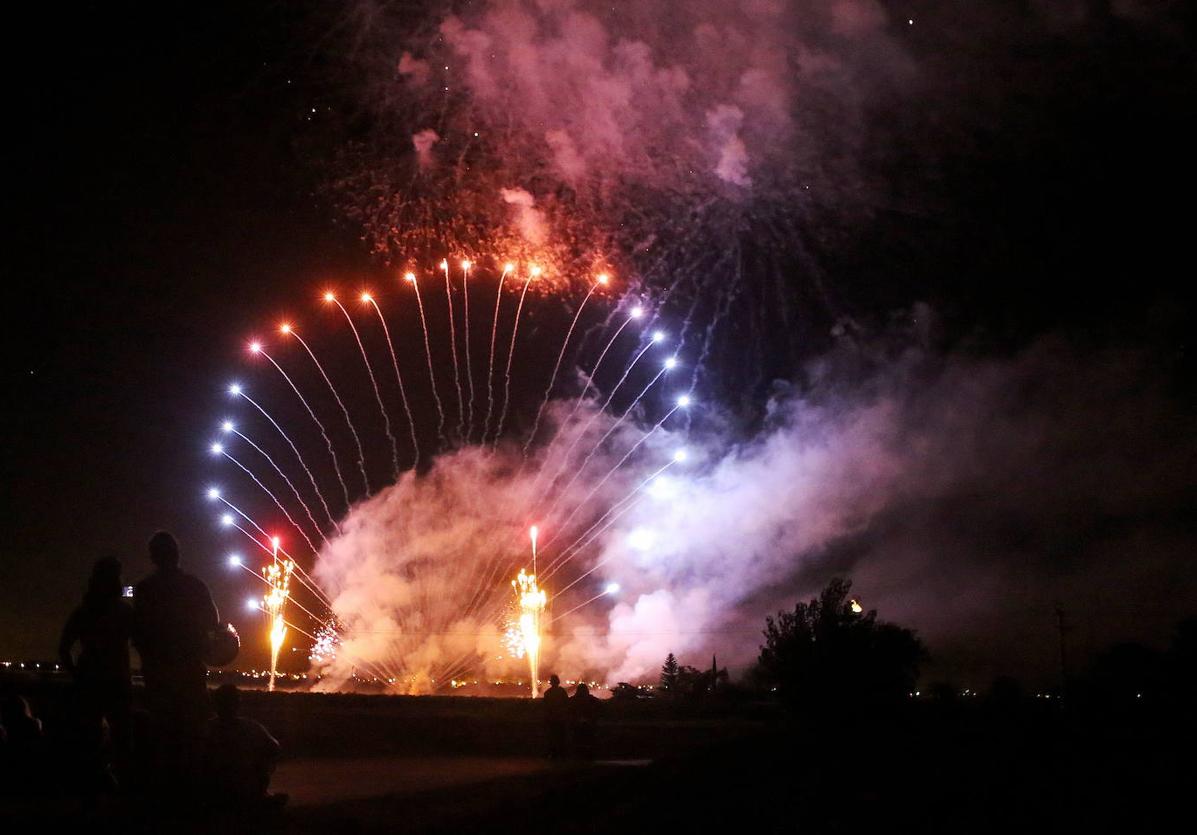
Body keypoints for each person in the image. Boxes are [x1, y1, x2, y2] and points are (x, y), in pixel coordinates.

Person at [133, 531, 219, 782]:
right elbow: (213, 622)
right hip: (190, 669)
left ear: (153, 557)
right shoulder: (195, 586)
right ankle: (190, 786)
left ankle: (162, 787)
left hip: (158, 672)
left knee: (162, 731)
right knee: (192, 732)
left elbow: (138, 631)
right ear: (177, 555)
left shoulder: (145, 589)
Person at [58, 555, 134, 785]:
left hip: (89, 680)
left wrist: (76, 673)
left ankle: (90, 786)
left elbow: (63, 647)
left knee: (89, 738)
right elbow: (144, 639)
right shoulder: (124, 611)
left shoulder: (83, 611)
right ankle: (120, 785)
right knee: (122, 737)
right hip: (118, 680)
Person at [201, 685, 282, 809]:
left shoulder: (206, 728)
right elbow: (274, 748)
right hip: (246, 786)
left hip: (214, 787)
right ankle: (261, 796)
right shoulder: (251, 727)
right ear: (238, 704)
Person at [570, 682, 601, 759]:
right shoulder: (591, 699)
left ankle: (579, 755)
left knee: (578, 740)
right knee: (589, 740)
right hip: (589, 723)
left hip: (577, 723)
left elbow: (569, 707)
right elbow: (600, 704)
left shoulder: (574, 700)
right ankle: (589, 755)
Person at [542, 674, 569, 758]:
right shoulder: (562, 692)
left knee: (552, 737)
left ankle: (553, 753)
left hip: (552, 718)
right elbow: (566, 703)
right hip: (560, 718)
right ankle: (561, 753)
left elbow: (545, 706)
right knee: (561, 737)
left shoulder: (547, 693)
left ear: (551, 682)